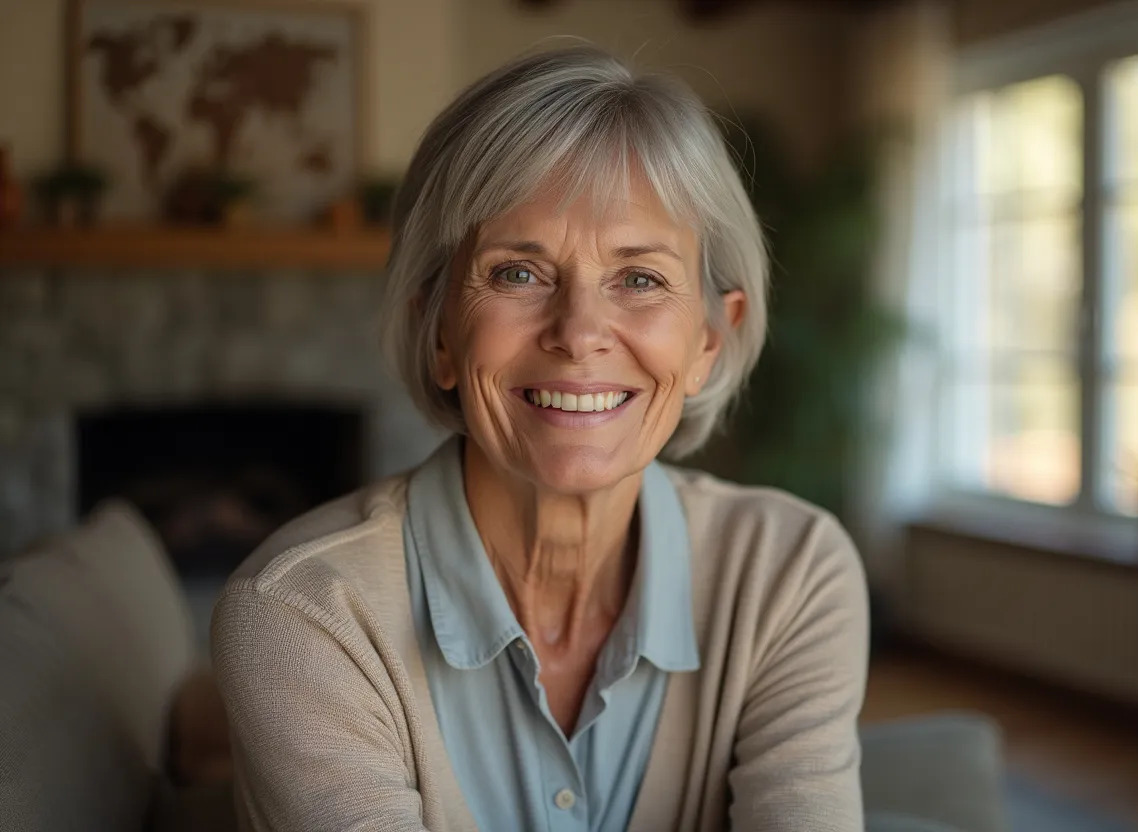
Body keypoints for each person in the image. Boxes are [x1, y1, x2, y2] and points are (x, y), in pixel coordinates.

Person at [211, 45, 868, 832]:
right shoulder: (303, 613)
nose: (580, 332)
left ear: (708, 342)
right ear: (439, 331)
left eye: (641, 278)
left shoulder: (790, 576)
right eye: (519, 273)